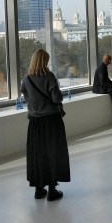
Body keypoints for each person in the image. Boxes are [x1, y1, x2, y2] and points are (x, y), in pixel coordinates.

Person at [20, 49, 70, 202]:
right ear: (45, 61)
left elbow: (26, 98)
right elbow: (57, 98)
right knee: (53, 152)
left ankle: (38, 188)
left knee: (37, 154)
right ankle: (52, 190)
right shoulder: (49, 77)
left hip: (35, 122)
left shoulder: (26, 79)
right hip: (51, 121)